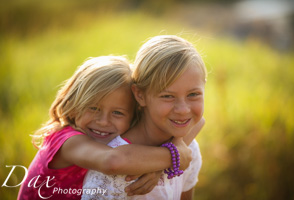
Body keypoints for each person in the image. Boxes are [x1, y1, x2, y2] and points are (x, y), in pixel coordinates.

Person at [17, 56, 194, 200]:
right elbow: (112, 161)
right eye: (93, 108)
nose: (102, 121)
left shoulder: (121, 134)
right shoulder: (67, 141)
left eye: (117, 113)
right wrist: (173, 155)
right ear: (74, 102)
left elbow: (198, 121)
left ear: (135, 114)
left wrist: (161, 165)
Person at [82, 35, 207, 200]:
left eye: (193, 94)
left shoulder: (189, 149)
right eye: (167, 96)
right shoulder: (113, 177)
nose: (183, 110)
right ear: (140, 95)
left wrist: (163, 166)